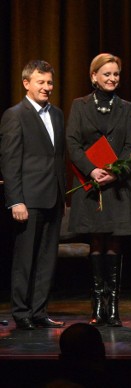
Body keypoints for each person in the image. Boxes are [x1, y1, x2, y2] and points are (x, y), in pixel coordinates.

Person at [67, 53, 131, 327]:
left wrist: (114, 171)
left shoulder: (126, 107)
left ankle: (113, 307)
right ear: (94, 77)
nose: (112, 79)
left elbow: (130, 147)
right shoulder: (79, 106)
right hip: (91, 185)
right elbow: (73, 143)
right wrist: (91, 170)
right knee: (96, 243)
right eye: (107, 74)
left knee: (113, 244)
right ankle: (97, 305)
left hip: (118, 187)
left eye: (116, 74)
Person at [0, 60, 66, 330]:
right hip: (28, 199)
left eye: (49, 82)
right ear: (27, 83)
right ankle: (22, 312)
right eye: (41, 82)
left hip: (53, 196)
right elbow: (10, 160)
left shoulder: (58, 114)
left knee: (47, 259)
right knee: (26, 259)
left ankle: (39, 311)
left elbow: (58, 156)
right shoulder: (15, 115)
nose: (47, 87)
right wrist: (16, 199)